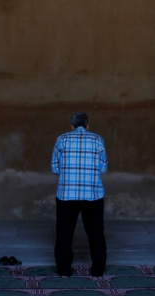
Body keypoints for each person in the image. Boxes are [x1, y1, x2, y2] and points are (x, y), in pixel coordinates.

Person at [51, 112, 108, 278]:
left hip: (66, 195)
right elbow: (103, 168)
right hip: (93, 194)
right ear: (87, 125)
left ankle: (64, 271)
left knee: (64, 233)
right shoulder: (97, 140)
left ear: (72, 126)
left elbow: (55, 168)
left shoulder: (62, 139)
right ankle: (97, 271)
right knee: (96, 233)